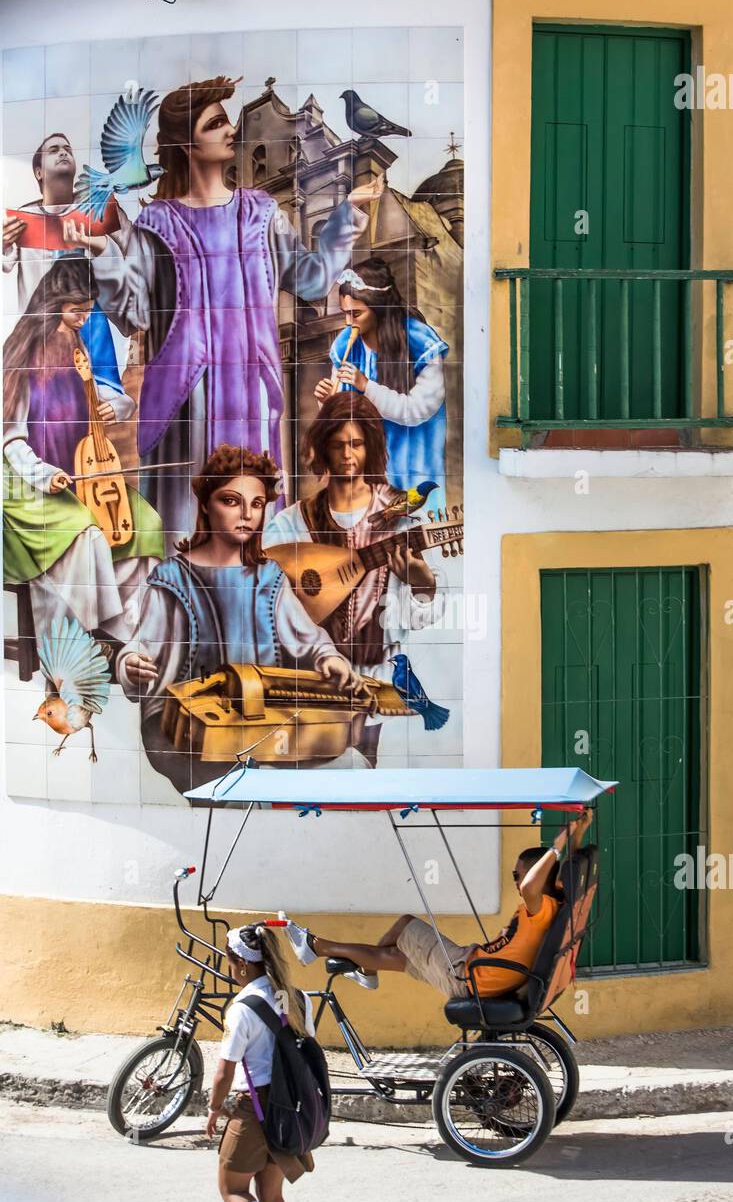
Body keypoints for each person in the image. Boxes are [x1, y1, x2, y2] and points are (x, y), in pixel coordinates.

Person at [67, 76, 383, 540]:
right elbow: (133, 311)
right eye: (215, 123)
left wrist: (347, 214)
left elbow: (312, 278)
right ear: (187, 145)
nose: (230, 130)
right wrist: (103, 253)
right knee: (185, 528)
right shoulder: (157, 223)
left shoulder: (259, 213)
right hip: (184, 396)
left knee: (247, 526)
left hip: (248, 392)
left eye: (226, 120)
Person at [117, 445, 370, 790]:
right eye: (231, 501)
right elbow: (142, 645)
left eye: (256, 504)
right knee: (240, 780)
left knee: (349, 764)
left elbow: (308, 639)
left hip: (259, 720)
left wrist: (329, 659)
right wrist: (132, 662)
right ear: (206, 504)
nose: (246, 514)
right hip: (183, 727)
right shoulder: (172, 578)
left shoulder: (269, 577)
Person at [263, 393, 441, 765]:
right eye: (339, 444)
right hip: (315, 683)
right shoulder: (293, 524)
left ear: (370, 446)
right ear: (323, 447)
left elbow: (418, 619)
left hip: (379, 675)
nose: (348, 454)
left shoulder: (399, 519)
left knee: (372, 772)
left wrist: (422, 583)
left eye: (357, 444)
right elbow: (266, 596)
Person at [2, 258, 163, 639]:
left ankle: (126, 632)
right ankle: (81, 635)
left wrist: (110, 405)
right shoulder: (21, 356)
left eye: (89, 309)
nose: (84, 318)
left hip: (83, 474)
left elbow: (109, 394)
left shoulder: (79, 348)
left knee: (147, 524)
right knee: (86, 533)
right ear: (55, 303)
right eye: (77, 310)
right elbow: (9, 436)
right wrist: (44, 475)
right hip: (29, 481)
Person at [285, 810, 594, 998]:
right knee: (396, 955)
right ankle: (347, 959)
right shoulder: (560, 897)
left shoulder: (539, 908)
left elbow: (530, 885)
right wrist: (577, 836)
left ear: (536, 876)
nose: (516, 880)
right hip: (472, 969)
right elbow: (571, 868)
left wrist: (556, 845)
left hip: (467, 973)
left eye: (518, 874)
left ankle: (325, 949)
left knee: (406, 924)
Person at [207, 920, 316, 1202]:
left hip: (254, 1107)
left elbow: (225, 1071)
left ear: (241, 963)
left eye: (229, 962)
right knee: (270, 1194)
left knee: (232, 1189)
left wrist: (212, 1107)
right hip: (290, 1109)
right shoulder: (298, 998)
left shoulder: (242, 1008)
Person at [314, 259, 449, 513]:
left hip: (413, 460)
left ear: (380, 309)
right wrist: (328, 401)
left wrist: (365, 385)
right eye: (345, 313)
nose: (348, 323)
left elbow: (415, 411)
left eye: (356, 314)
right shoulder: (346, 345)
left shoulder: (420, 342)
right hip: (367, 468)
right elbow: (344, 415)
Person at [2, 131, 124, 389]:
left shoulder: (93, 213)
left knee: (101, 390)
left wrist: (94, 244)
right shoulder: (24, 219)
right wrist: (4, 243)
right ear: (38, 172)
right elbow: (6, 263)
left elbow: (121, 265)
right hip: (44, 327)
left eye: (67, 148)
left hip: (90, 321)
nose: (63, 152)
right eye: (54, 149)